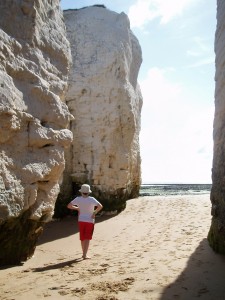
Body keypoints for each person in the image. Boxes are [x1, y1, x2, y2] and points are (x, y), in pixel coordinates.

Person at [67, 184, 103, 259]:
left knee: (82, 237)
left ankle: (83, 253)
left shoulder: (78, 199)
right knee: (87, 238)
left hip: (81, 220)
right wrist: (94, 212)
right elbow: (100, 206)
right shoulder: (92, 199)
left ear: (81, 192)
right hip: (90, 220)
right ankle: (84, 254)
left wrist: (77, 208)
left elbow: (69, 206)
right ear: (88, 192)